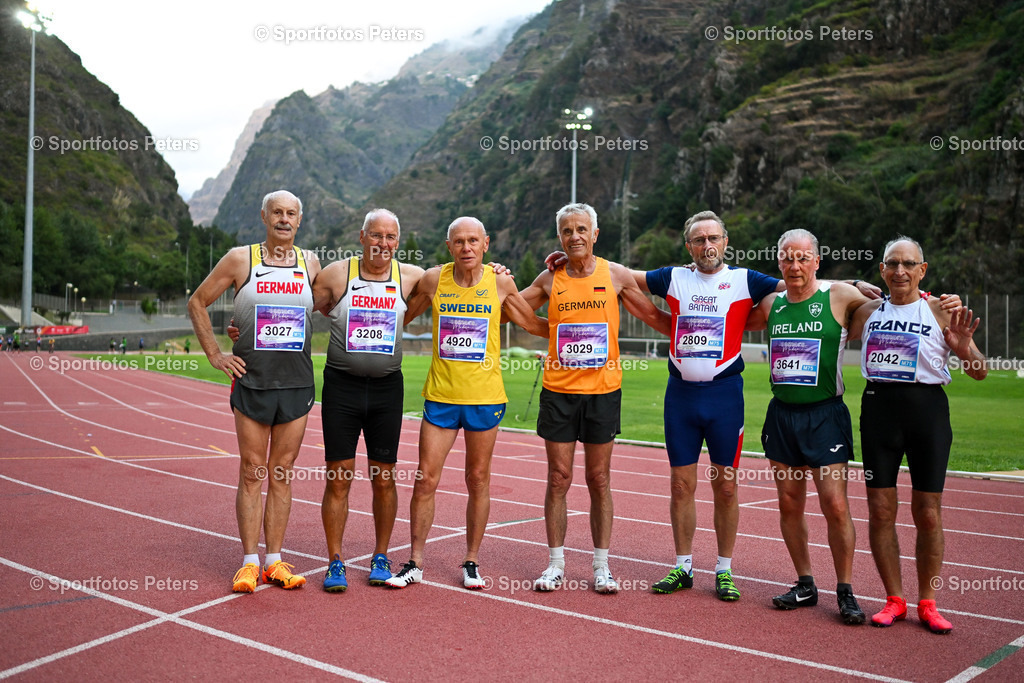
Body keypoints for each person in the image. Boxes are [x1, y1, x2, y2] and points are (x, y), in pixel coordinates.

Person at [384, 217, 548, 590]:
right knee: (426, 479)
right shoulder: (432, 279)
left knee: (477, 479)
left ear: (486, 244)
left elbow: (533, 324)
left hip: (485, 399)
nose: (466, 247)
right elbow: (401, 316)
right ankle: (415, 562)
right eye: (459, 241)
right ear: (449, 246)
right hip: (441, 396)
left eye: (473, 240)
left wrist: (580, 326)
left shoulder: (501, 282)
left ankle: (471, 561)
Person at [518, 203, 669, 594]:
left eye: (582, 229)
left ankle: (602, 566)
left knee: (599, 479)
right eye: (567, 231)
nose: (575, 237)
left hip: (603, 393)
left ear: (595, 234)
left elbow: (655, 317)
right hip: (559, 393)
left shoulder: (614, 274)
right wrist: (540, 325)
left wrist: (711, 328)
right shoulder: (551, 278)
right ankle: (555, 564)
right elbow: (511, 308)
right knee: (558, 478)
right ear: (560, 238)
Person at [188, 189, 321, 594]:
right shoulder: (239, 259)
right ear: (264, 216)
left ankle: (275, 561)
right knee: (251, 471)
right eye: (277, 212)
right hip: (252, 382)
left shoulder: (311, 263)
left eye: (291, 214)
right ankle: (248, 563)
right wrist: (215, 353)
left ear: (299, 220)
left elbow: (342, 297)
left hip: (297, 383)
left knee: (281, 473)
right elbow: (198, 301)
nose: (284, 219)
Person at [851, 237, 986, 634]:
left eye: (909, 264)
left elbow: (979, 370)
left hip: (927, 412)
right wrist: (856, 285)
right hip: (878, 410)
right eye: (892, 264)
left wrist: (963, 348)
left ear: (922, 270)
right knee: (880, 511)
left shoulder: (940, 310)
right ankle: (894, 599)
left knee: (927, 512)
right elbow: (813, 284)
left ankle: (928, 602)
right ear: (882, 270)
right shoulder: (866, 311)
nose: (900, 271)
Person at [312, 208, 424, 592]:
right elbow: (307, 308)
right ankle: (335, 561)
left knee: (384, 478)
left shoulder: (411, 277)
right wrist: (237, 330)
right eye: (376, 236)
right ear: (361, 237)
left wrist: (497, 272)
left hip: (386, 389)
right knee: (338, 477)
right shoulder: (335, 274)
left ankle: (380, 555)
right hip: (341, 388)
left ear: (399, 241)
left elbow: (459, 279)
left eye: (391, 237)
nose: (383, 244)